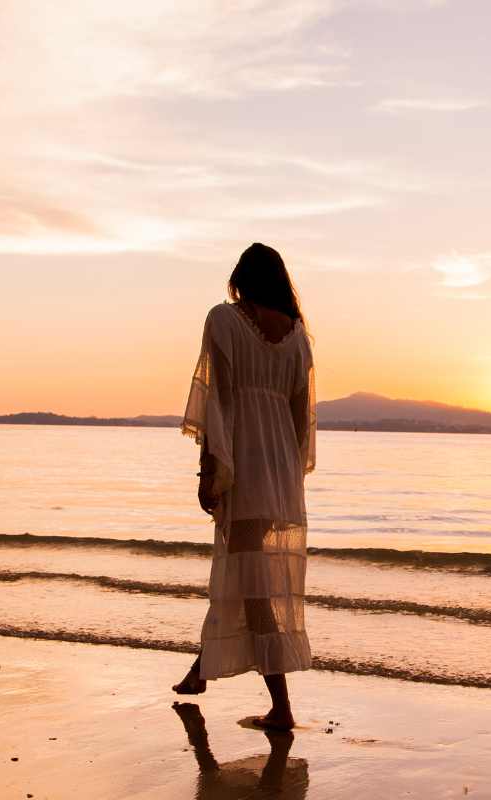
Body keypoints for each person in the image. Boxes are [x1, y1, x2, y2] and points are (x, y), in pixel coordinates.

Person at [173, 243, 316, 732]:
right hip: (279, 472)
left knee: (252, 586)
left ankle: (281, 706)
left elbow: (218, 402)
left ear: (240, 277)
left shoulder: (224, 321)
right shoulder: (299, 338)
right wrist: (289, 477)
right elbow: (302, 424)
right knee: (243, 576)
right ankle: (200, 670)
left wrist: (209, 469)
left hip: (246, 466)